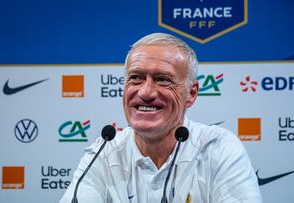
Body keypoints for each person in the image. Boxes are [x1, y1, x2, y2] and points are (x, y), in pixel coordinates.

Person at [60, 33, 262, 202]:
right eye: (136, 77)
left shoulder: (218, 148)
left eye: (163, 79)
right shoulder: (104, 152)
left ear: (191, 94)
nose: (146, 92)